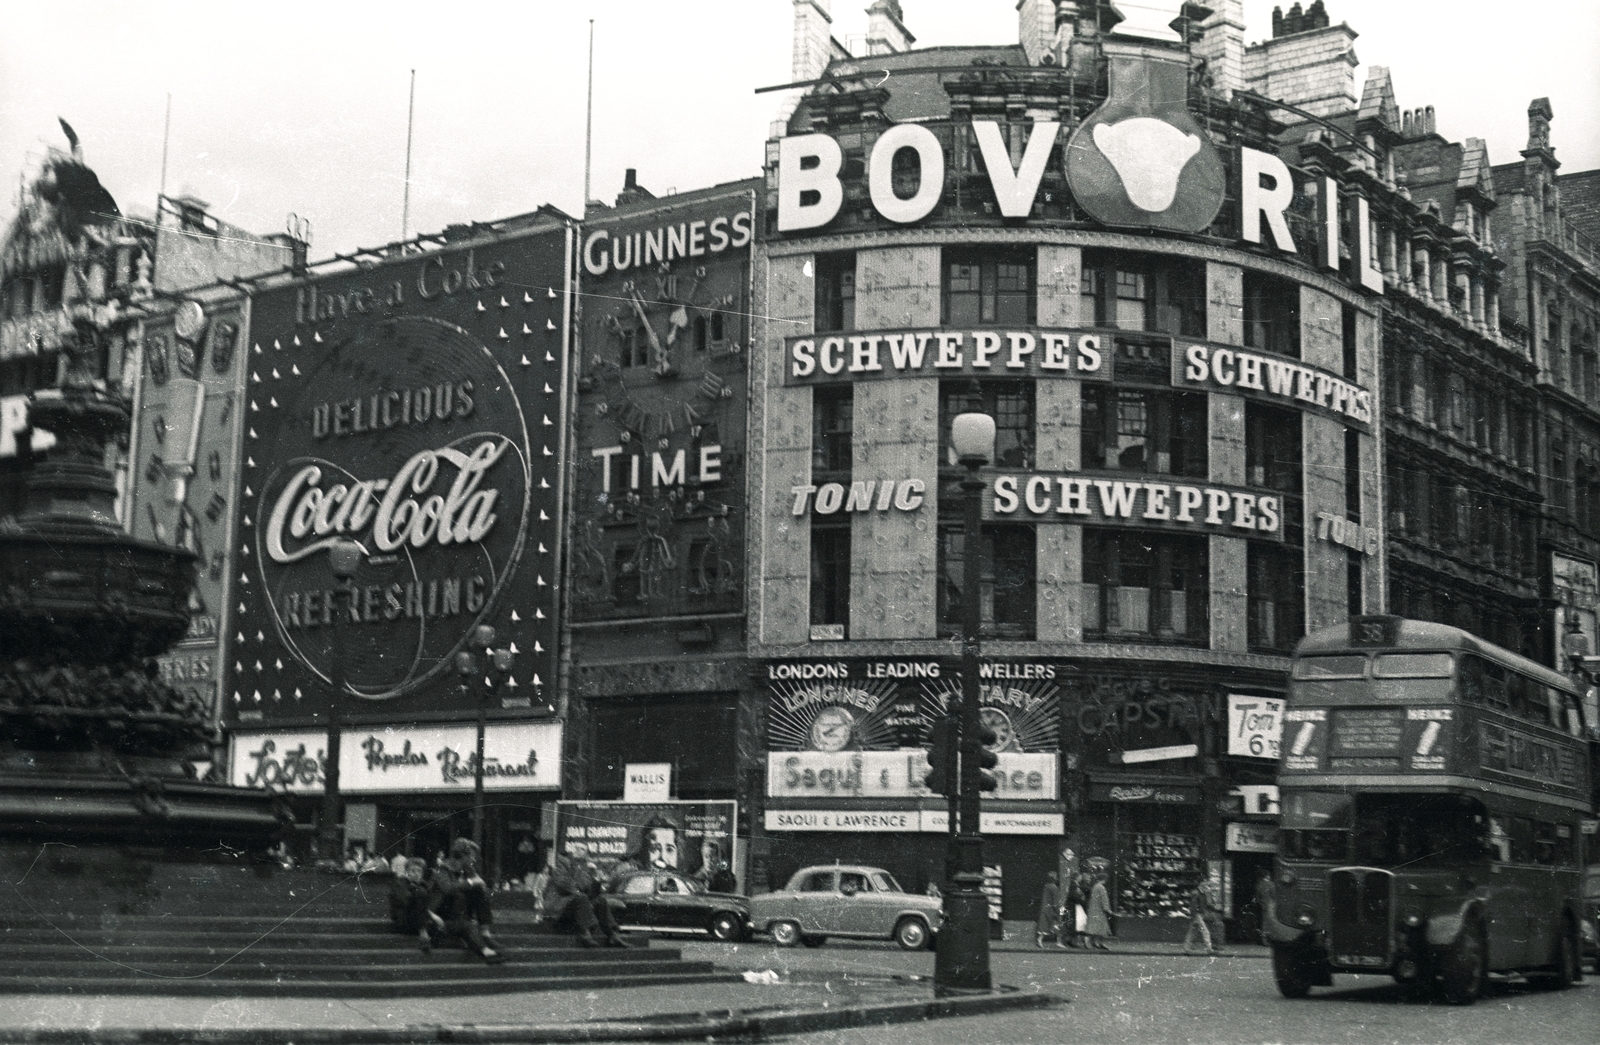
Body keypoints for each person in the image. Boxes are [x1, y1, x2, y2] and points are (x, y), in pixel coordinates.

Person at [426, 838, 504, 963]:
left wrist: (475, 882)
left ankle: (485, 933)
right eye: (472, 856)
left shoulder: (467, 870)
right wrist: (471, 881)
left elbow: (481, 885)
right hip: (439, 918)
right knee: (466, 925)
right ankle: (486, 952)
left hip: (458, 916)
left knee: (478, 891)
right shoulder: (441, 870)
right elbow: (448, 889)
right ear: (462, 856)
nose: (474, 860)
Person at [542, 842, 631, 948]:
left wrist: (595, 878)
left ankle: (612, 935)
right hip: (559, 906)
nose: (577, 850)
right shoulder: (562, 861)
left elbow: (592, 894)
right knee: (581, 898)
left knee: (600, 901)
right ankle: (585, 934)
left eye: (582, 849)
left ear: (586, 854)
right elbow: (563, 883)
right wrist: (582, 893)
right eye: (576, 848)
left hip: (577, 907)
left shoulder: (585, 868)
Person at [1183, 879, 1223, 956]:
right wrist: (1195, 915)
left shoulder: (1201, 893)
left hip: (1198, 915)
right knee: (1205, 932)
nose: (1207, 888)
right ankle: (1209, 949)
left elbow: (1205, 904)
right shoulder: (1197, 893)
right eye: (1206, 886)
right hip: (1198, 915)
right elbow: (1193, 906)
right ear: (1202, 886)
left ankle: (1186, 949)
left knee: (1192, 932)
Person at [1083, 872, 1112, 951]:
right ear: (1104, 879)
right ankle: (1095, 943)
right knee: (1101, 927)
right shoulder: (1101, 887)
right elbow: (1104, 899)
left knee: (1093, 927)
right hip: (1099, 911)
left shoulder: (1095, 887)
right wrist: (1107, 909)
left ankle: (1093, 942)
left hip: (1093, 910)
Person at [1035, 871, 1063, 948]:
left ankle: (1040, 939)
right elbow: (1055, 901)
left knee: (1044, 926)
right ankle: (1059, 942)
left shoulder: (1046, 886)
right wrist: (1058, 911)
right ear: (1054, 878)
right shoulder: (1054, 888)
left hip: (1045, 908)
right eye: (1056, 877)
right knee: (1058, 925)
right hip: (1051, 910)